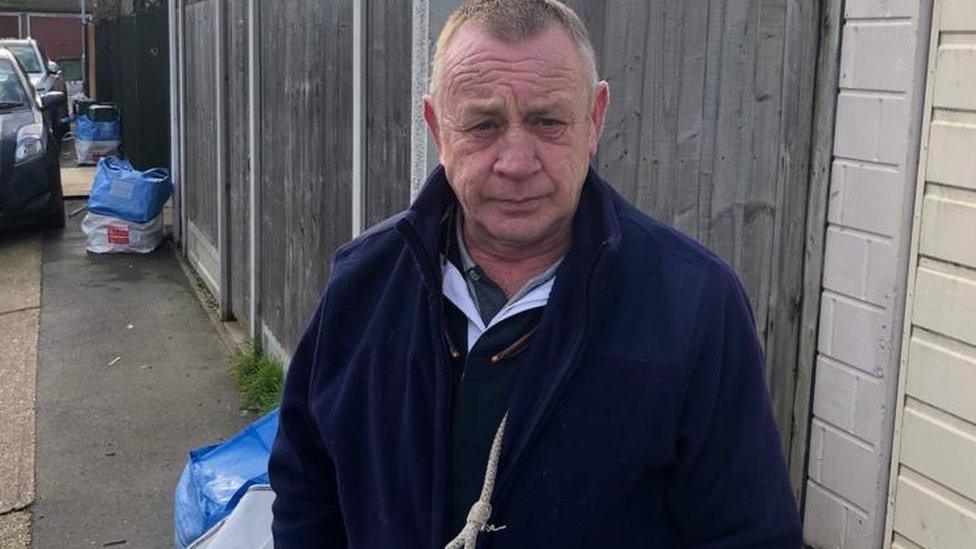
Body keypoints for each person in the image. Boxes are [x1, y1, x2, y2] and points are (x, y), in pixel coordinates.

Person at [269, 0, 802, 547]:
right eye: (483, 124)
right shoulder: (363, 285)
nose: (516, 163)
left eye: (548, 122)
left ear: (595, 119)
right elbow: (307, 487)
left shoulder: (695, 306)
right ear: (435, 126)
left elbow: (749, 534)